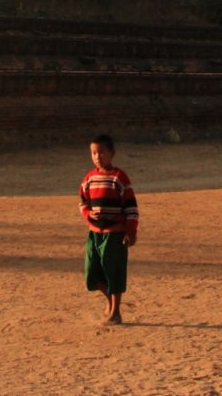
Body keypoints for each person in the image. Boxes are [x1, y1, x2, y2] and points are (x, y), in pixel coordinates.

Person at [79, 133, 139, 324]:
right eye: (94, 153)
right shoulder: (89, 178)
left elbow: (131, 207)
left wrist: (131, 231)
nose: (98, 157)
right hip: (94, 233)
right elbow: (83, 202)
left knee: (114, 271)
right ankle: (109, 301)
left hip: (115, 233)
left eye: (102, 152)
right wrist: (88, 213)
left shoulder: (119, 178)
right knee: (92, 274)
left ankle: (115, 311)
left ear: (112, 153)